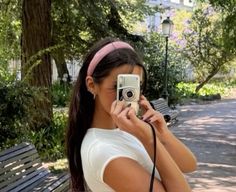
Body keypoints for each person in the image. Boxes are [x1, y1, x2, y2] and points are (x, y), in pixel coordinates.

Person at [66, 37, 197, 192]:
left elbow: (189, 165)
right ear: (92, 85)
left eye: (135, 86)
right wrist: (149, 139)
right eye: (119, 86)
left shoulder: (125, 132)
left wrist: (162, 134)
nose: (128, 95)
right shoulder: (102, 150)